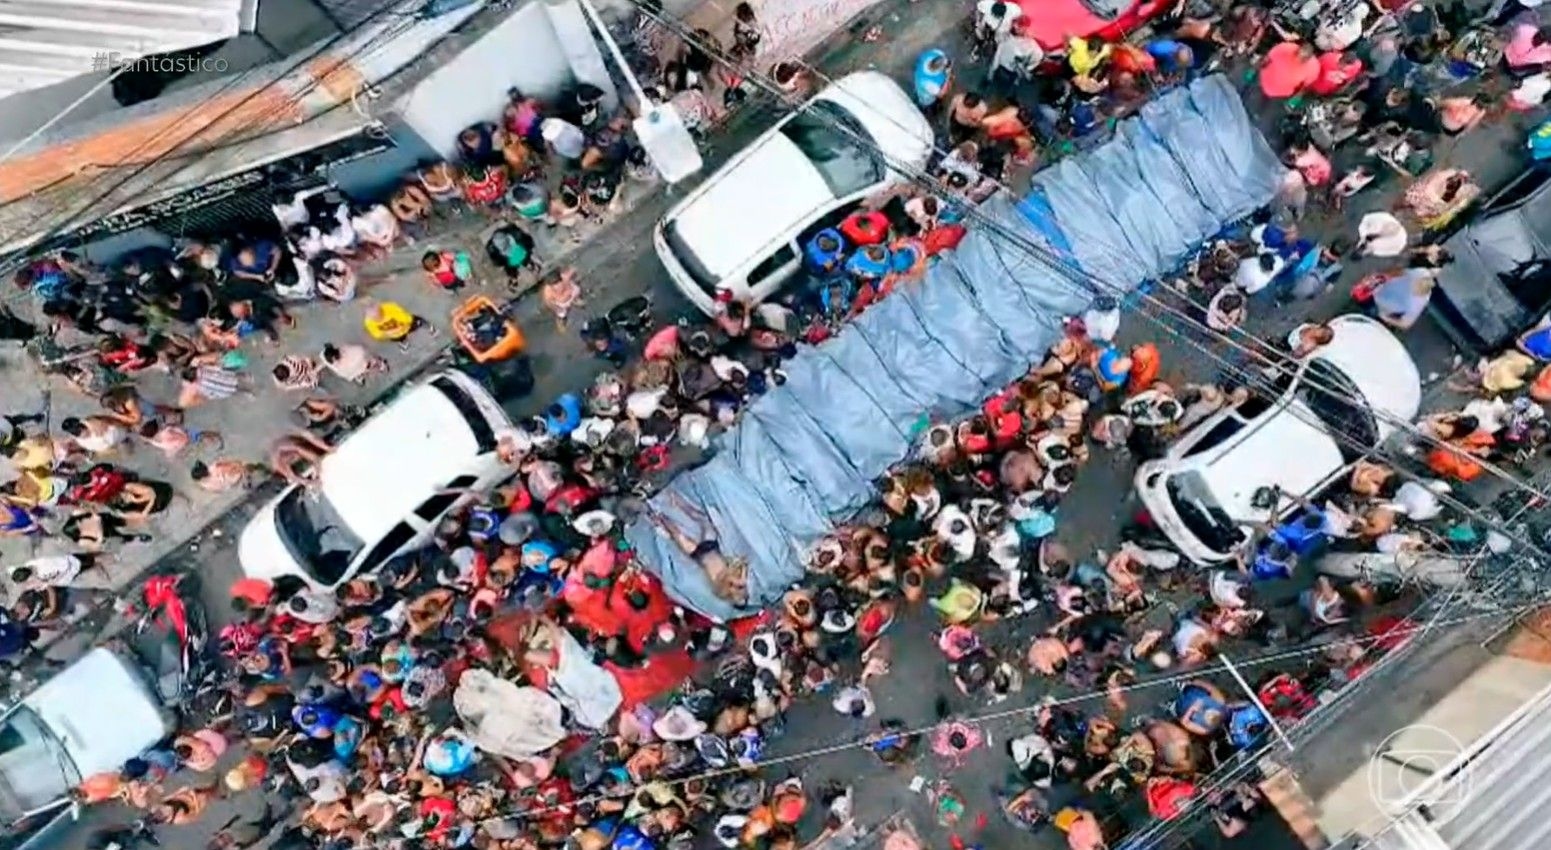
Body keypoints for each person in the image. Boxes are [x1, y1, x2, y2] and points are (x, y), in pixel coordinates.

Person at [645, 493, 750, 606]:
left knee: (677, 535)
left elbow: (730, 579)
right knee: (701, 519)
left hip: (700, 555)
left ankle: (657, 515)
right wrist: (743, 574)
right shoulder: (736, 581)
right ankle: (678, 502)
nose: (738, 594)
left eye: (737, 599)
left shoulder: (722, 591)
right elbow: (742, 564)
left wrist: (741, 580)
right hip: (711, 548)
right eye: (741, 596)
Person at [1371, 268, 1436, 330]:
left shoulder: (1417, 304)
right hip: (1380, 286)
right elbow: (1400, 272)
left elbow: (1405, 324)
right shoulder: (1419, 274)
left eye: (1416, 290)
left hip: (1379, 306)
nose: (1412, 287)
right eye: (1415, 283)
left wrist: (1384, 317)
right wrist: (1382, 274)